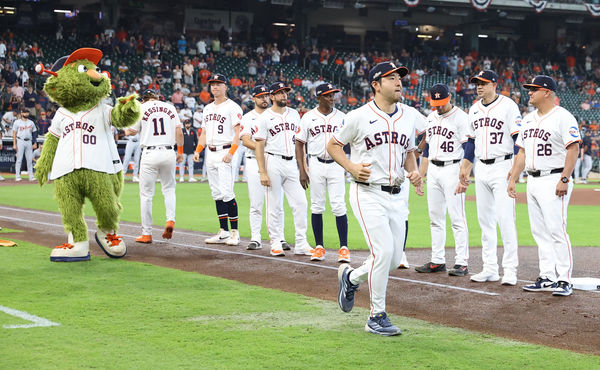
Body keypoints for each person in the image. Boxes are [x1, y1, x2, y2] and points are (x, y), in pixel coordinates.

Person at [329, 61, 423, 336]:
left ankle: (350, 277)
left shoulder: (409, 115)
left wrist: (414, 171)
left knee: (393, 260)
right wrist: (350, 166)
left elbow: (408, 151)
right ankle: (376, 316)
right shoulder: (358, 116)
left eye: (400, 78)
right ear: (375, 85)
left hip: (397, 194)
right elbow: (333, 145)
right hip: (367, 192)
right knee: (382, 253)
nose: (398, 82)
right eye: (391, 78)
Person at [508, 75, 581, 296]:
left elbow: (573, 148)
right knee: (539, 231)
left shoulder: (563, 117)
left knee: (557, 230)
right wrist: (512, 178)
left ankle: (564, 279)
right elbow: (521, 151)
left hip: (554, 177)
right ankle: (547, 276)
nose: (529, 92)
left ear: (547, 92)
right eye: (529, 89)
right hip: (532, 179)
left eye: (534, 89)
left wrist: (565, 178)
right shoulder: (528, 118)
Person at [455, 70, 521, 286]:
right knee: (485, 221)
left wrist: (517, 169)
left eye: (483, 83)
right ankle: (490, 268)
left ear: (494, 83)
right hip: (481, 168)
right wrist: (465, 167)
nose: (479, 87)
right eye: (476, 83)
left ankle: (510, 269)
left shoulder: (508, 105)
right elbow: (471, 142)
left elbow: (518, 138)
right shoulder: (473, 109)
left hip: (503, 165)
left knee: (505, 219)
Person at [414, 84, 470, 276]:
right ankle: (437, 260)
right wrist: (421, 175)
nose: (438, 107)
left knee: (457, 218)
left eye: (442, 103)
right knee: (435, 218)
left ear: (450, 97)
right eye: (435, 103)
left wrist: (464, 173)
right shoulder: (431, 117)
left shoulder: (461, 118)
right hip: (434, 171)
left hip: (453, 169)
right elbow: (427, 150)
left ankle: (462, 262)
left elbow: (469, 147)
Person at [254, 81, 312, 257]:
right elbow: (259, 146)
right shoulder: (264, 117)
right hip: (273, 160)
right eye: (280, 93)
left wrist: (304, 166)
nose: (284, 95)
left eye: (285, 92)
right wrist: (262, 171)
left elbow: (300, 142)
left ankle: (301, 242)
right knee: (275, 204)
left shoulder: (294, 114)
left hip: (292, 163)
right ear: (272, 96)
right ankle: (276, 242)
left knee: (301, 203)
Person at [296, 83, 350, 263]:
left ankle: (344, 248)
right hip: (316, 164)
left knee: (339, 205)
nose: (332, 98)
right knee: (317, 206)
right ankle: (319, 247)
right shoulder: (308, 117)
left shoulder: (342, 117)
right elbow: (299, 143)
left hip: (336, 164)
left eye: (333, 94)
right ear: (319, 97)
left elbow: (352, 141)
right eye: (328, 95)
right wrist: (302, 170)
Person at [128, 89, 183, 243]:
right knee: (169, 189)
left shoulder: (141, 108)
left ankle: (147, 233)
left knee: (146, 195)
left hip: (150, 153)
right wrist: (180, 151)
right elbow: (179, 132)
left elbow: (130, 132)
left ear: (144, 99)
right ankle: (170, 220)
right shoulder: (170, 107)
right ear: (157, 98)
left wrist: (125, 127)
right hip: (168, 152)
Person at [239, 84, 290, 251]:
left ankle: (280, 237)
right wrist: (262, 149)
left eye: (266, 95)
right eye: (260, 96)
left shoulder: (275, 115)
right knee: (256, 202)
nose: (264, 99)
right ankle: (256, 237)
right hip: (254, 161)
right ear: (253, 99)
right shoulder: (248, 117)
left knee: (277, 203)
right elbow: (246, 140)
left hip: (274, 162)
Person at [193, 73, 242, 246]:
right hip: (210, 153)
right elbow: (204, 133)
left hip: (226, 150)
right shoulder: (207, 108)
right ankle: (223, 231)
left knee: (228, 193)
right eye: (212, 84)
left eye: (218, 84)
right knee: (217, 193)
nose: (215, 87)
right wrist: (198, 149)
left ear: (225, 87)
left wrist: (232, 152)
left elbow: (238, 133)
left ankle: (235, 232)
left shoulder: (233, 107)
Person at [12, 108, 37, 181]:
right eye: (25, 112)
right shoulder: (17, 122)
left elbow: (34, 133)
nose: (26, 114)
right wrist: (14, 144)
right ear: (21, 113)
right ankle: (17, 176)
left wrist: (35, 142)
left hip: (29, 141)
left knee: (29, 159)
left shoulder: (31, 122)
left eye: (27, 112)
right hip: (20, 141)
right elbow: (14, 133)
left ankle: (31, 176)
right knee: (19, 159)